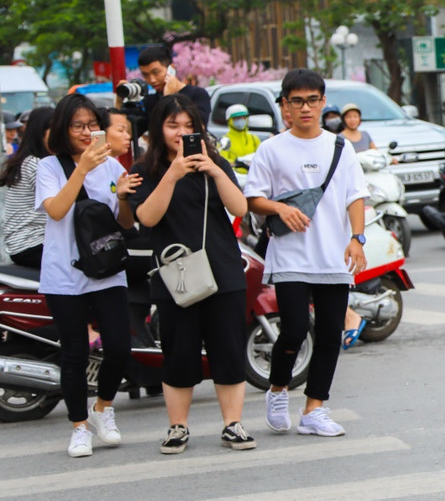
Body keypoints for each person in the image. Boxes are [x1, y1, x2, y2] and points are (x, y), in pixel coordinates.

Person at [127, 95, 254, 455]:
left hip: (223, 270)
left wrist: (214, 170)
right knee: (179, 353)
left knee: (228, 350)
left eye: (189, 126)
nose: (182, 133)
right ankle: (177, 427)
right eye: (172, 126)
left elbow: (239, 207)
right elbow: (148, 218)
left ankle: (233, 425)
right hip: (175, 276)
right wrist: (173, 174)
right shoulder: (145, 172)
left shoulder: (216, 164)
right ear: (158, 129)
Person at [244, 69, 368, 438]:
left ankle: (315, 408)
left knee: (330, 334)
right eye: (297, 101)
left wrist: (357, 238)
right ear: (285, 105)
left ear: (323, 102)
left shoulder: (340, 147)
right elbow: (252, 198)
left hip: (333, 255)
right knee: (295, 329)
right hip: (291, 257)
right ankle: (278, 389)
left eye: (313, 100)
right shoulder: (271, 149)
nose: (305, 108)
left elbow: (355, 195)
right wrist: (280, 209)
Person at [35, 94, 140, 458]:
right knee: (75, 354)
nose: (84, 132)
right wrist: (82, 168)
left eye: (90, 125)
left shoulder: (112, 168)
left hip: (106, 271)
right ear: (64, 129)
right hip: (64, 274)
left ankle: (102, 409)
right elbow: (57, 210)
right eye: (77, 126)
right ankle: (79, 427)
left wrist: (124, 198)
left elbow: (124, 225)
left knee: (119, 347)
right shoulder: (49, 167)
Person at [1, 106, 53, 267]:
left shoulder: (32, 160)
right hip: (30, 243)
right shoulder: (35, 164)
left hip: (31, 241)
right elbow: (60, 208)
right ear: (41, 132)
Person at [133, 45, 213, 123]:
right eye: (146, 75)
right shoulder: (150, 101)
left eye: (156, 72)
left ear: (171, 69)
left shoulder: (198, 94)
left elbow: (198, 125)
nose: (152, 80)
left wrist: (169, 98)